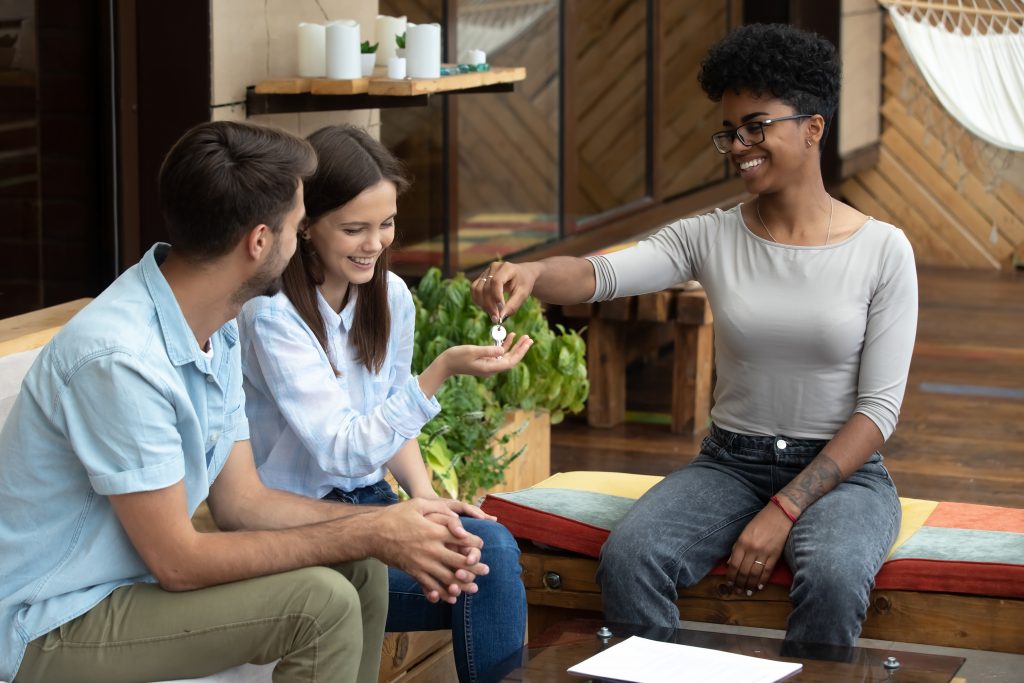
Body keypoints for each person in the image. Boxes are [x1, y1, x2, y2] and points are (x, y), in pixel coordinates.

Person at [471, 23, 918, 646]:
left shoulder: (883, 250)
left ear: (813, 127)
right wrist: (533, 270)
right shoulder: (710, 234)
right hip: (731, 465)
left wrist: (785, 508)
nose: (738, 145)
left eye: (756, 127)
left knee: (836, 577)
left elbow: (879, 410)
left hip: (842, 473)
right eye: (730, 131)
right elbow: (601, 274)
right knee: (632, 556)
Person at [0, 121, 490, 683]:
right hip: (51, 621)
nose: (303, 235)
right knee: (319, 604)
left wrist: (387, 523)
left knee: (358, 566)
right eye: (299, 223)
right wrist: (370, 528)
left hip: (124, 589)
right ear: (259, 241)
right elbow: (179, 562)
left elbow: (241, 502)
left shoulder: (217, 324)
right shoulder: (121, 359)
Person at [238, 123, 530, 683]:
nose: (375, 243)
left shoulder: (390, 296)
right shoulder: (273, 317)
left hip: (373, 502)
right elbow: (344, 449)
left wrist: (426, 500)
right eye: (354, 229)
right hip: (300, 526)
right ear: (306, 227)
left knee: (484, 544)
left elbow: (390, 421)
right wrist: (439, 371)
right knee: (485, 566)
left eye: (387, 224)